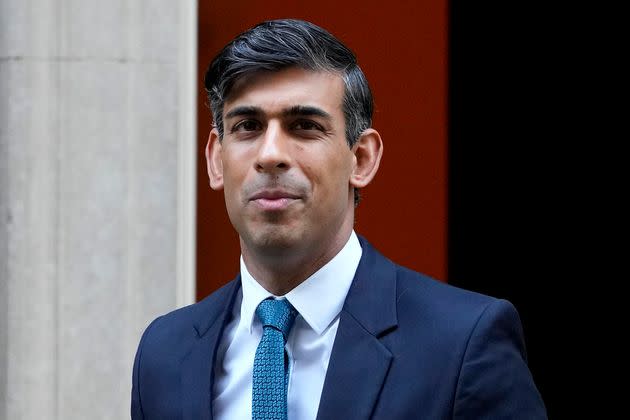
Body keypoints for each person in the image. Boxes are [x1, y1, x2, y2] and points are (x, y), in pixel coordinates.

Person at [131, 18, 547, 419]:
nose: (271, 153)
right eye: (248, 126)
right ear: (216, 161)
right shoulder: (164, 353)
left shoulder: (463, 344)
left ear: (361, 158)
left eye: (305, 126)